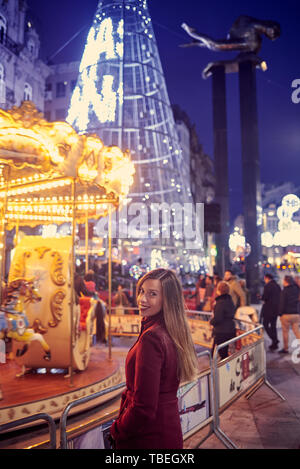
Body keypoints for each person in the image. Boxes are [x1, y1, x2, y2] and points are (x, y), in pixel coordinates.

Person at [109, 268, 198, 449]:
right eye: (142, 291)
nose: (142, 299)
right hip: (167, 429)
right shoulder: (173, 330)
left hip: (147, 437)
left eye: (152, 294)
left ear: (167, 300)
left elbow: (143, 407)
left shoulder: (153, 337)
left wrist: (117, 431)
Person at [210, 281, 236, 360]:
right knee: (225, 352)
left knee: (223, 354)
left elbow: (218, 318)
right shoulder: (230, 301)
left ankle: (225, 370)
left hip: (221, 332)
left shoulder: (220, 303)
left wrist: (211, 321)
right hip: (230, 330)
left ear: (219, 290)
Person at [278, 275, 300, 354]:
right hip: (296, 314)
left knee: (285, 332)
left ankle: (285, 348)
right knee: (297, 332)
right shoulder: (297, 289)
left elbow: (282, 303)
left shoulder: (285, 291)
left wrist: (280, 313)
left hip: (286, 314)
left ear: (286, 281)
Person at [261, 273, 281, 351]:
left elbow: (265, 297)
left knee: (265, 324)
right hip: (275, 310)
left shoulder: (267, 286)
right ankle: (274, 343)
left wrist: (261, 297)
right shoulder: (277, 286)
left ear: (267, 278)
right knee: (273, 326)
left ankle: (274, 339)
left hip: (268, 309)